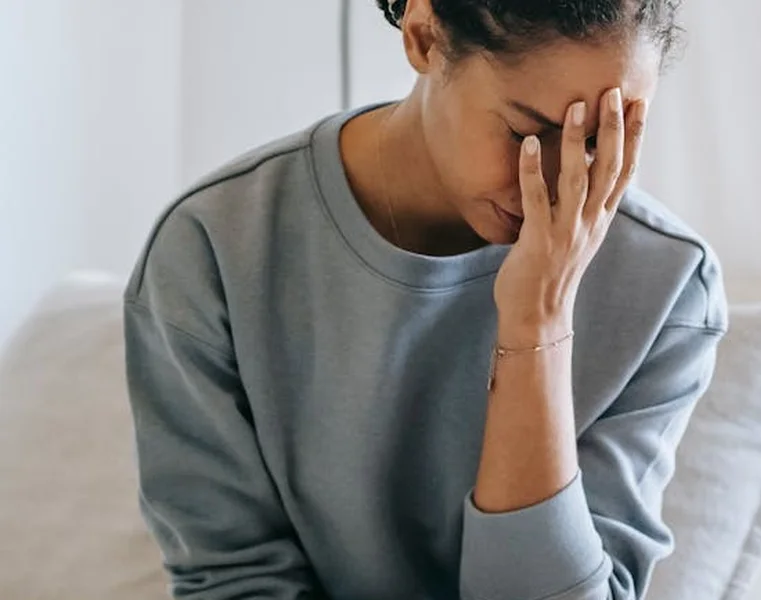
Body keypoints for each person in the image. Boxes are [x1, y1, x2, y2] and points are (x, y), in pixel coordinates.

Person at [124, 0, 726, 598]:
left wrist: (537, 321)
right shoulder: (216, 248)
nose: (553, 183)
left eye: (595, 143)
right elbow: (235, 582)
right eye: (525, 132)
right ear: (424, 36)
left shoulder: (669, 286)